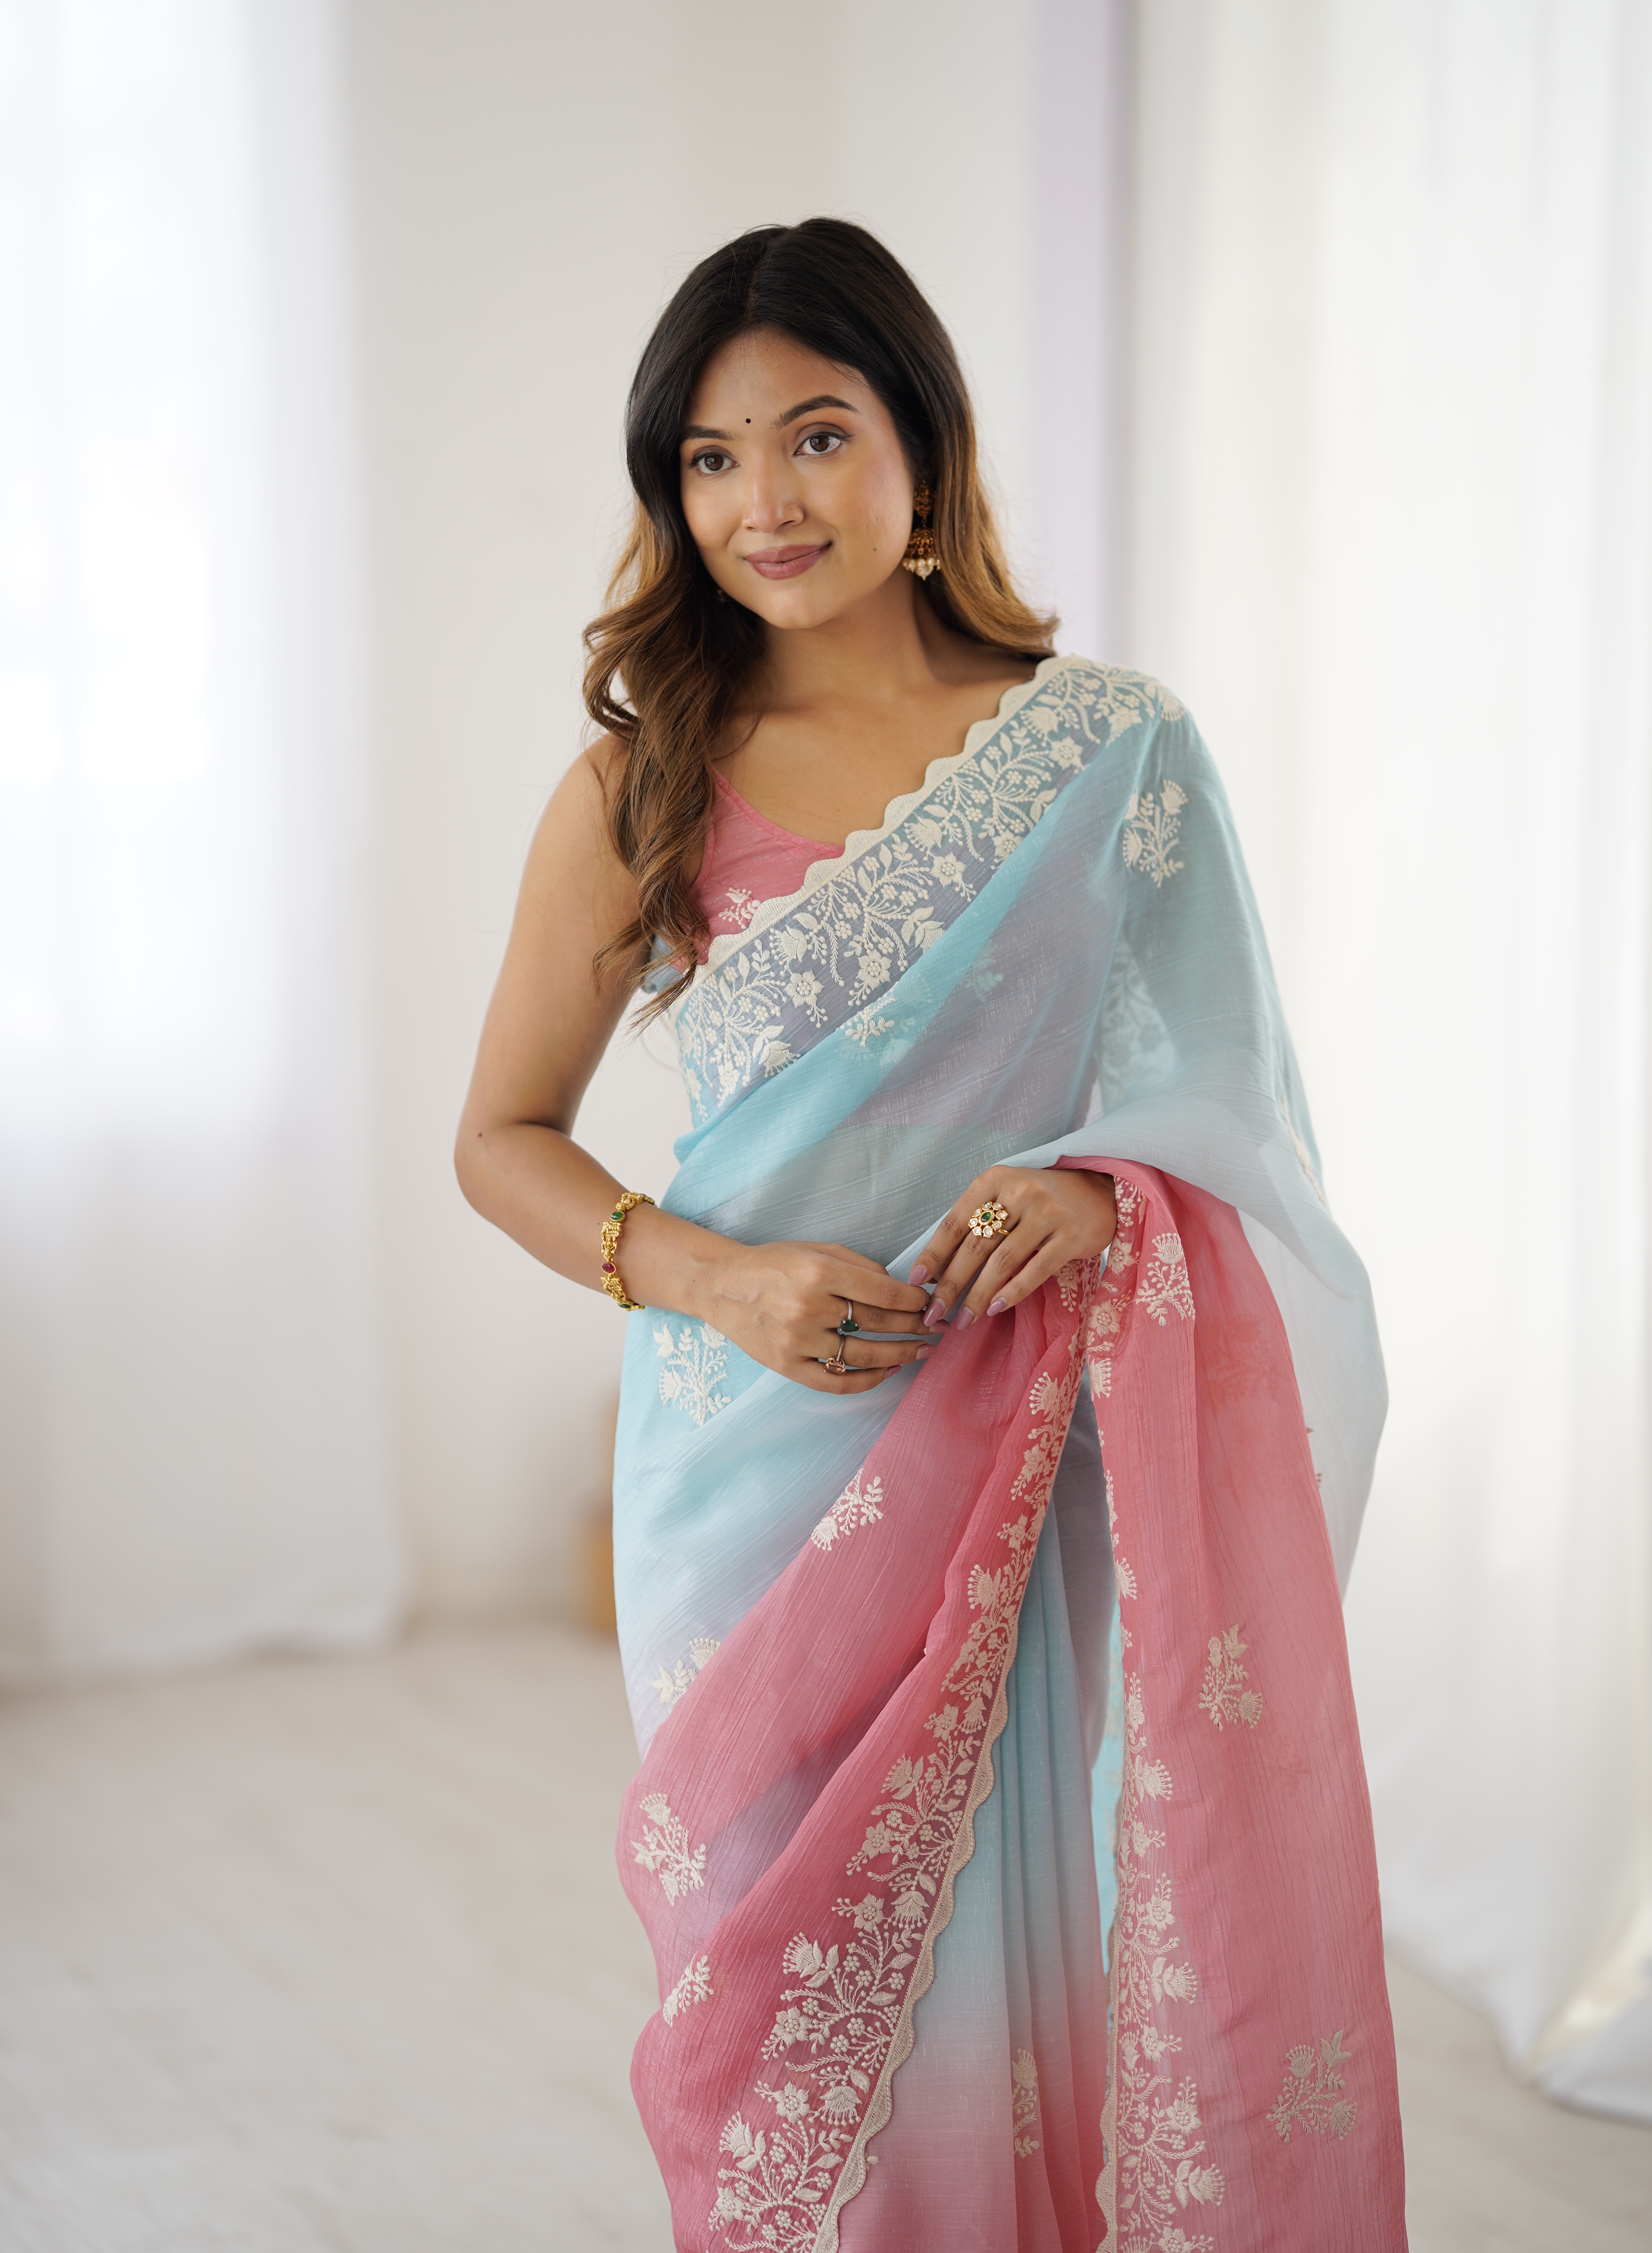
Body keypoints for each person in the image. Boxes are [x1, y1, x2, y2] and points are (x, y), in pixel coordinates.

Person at [458, 219, 1405, 2253]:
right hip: (745, 1470)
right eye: (710, 458)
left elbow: (1231, 1105)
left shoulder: (1112, 749)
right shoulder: (644, 780)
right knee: (782, 2001)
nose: (765, 501)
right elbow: (499, 1140)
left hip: (1024, 1449)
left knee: (1013, 1967)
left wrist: (1096, 1190)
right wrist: (719, 1275)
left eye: (815, 435)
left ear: (923, 445)